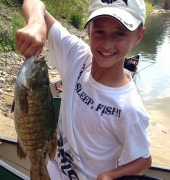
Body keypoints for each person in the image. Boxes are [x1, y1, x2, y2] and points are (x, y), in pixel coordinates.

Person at [16, 0, 151, 179]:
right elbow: (32, 2)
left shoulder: (130, 108)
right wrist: (36, 22)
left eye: (120, 33)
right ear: (88, 29)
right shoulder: (77, 57)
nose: (107, 44)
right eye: (99, 31)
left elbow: (143, 159)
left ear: (139, 36)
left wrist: (110, 175)